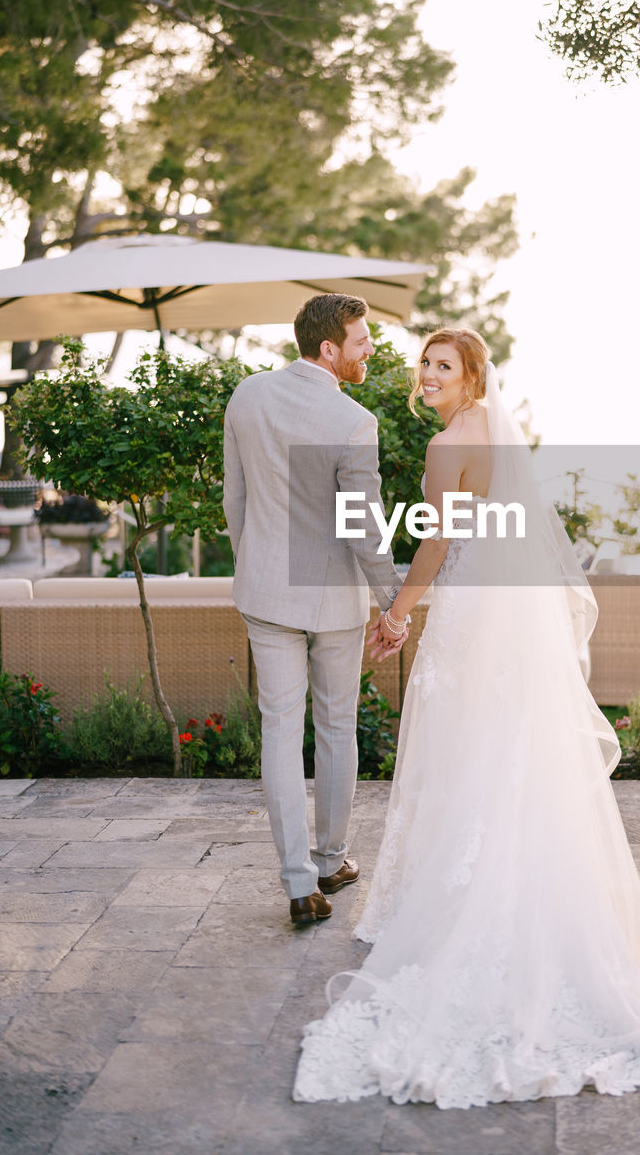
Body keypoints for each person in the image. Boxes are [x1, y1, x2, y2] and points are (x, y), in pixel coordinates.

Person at [292, 326, 640, 1108]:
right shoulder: (496, 433)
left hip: (468, 616)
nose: (425, 375)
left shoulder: (445, 447)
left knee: (464, 752)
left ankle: (465, 908)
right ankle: (531, 905)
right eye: (423, 363)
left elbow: (435, 544)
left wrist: (395, 615)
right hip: (509, 619)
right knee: (511, 753)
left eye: (441, 366)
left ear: (470, 378)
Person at [222, 292, 408, 930]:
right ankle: (330, 861)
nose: (370, 351)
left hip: (264, 592)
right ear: (329, 348)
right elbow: (363, 528)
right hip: (331, 601)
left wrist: (254, 565)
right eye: (362, 342)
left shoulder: (248, 395)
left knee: (280, 732)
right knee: (335, 729)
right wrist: (393, 603)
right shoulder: (354, 422)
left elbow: (235, 498)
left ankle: (300, 886)